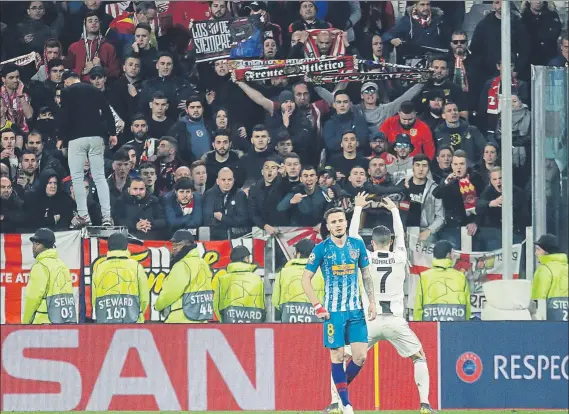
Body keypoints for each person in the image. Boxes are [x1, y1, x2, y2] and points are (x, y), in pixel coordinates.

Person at [331, 193, 437, 414]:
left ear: (371, 243)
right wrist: (395, 211)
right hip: (395, 321)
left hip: (368, 321)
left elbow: (352, 236)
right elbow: (401, 236)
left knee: (345, 357)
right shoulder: (399, 256)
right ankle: (425, 404)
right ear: (389, 242)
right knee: (418, 357)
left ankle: (335, 404)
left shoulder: (365, 257)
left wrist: (358, 208)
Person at [301, 207, 377, 414]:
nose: (338, 224)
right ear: (328, 226)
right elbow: (305, 279)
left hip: (356, 311)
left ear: (346, 222)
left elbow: (366, 275)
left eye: (341, 220)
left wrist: (372, 302)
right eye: (333, 222)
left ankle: (340, 392)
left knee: (360, 357)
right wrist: (317, 306)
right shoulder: (321, 249)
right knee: (337, 355)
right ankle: (347, 404)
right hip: (333, 312)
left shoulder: (357, 245)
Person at [58, 70, 115, 227]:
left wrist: (62, 137)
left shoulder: (67, 91)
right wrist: (112, 133)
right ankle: (106, 217)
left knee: (77, 177)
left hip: (76, 139)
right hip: (96, 137)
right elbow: (108, 112)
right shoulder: (94, 89)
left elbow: (65, 116)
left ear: (67, 81)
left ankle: (84, 216)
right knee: (99, 177)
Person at [154, 230, 214, 323]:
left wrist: (158, 305)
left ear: (188, 245)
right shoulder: (203, 263)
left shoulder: (182, 265)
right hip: (201, 319)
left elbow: (171, 292)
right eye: (173, 245)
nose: (174, 248)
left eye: (178, 245)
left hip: (181, 319)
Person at [91, 232, 149, 323]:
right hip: (133, 322)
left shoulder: (99, 268)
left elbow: (94, 299)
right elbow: (144, 298)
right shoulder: (136, 267)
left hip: (105, 322)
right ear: (126, 246)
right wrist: (138, 312)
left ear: (108, 247)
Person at [23, 228, 77, 324]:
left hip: (43, 322)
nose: (33, 247)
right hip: (65, 322)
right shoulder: (62, 265)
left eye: (37, 244)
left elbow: (32, 298)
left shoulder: (40, 266)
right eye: (33, 244)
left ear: (46, 246)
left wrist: (25, 323)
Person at [414, 240, 471, 322]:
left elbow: (418, 309)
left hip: (431, 329)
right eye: (452, 252)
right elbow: (467, 309)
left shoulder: (424, 277)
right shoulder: (460, 277)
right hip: (457, 329)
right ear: (449, 254)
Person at [272, 239, 325, 323]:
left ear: (298, 254)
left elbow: (275, 301)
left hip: (289, 325)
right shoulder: (322, 273)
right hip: (316, 326)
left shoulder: (283, 273)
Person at [213, 246, 265, 323]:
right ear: (245, 259)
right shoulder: (257, 279)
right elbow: (263, 303)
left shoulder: (223, 279)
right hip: (253, 322)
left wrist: (223, 321)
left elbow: (216, 305)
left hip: (230, 322)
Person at [202, 167, 250, 240]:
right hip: (215, 238)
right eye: (223, 180)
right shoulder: (209, 195)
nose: (227, 183)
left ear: (233, 181)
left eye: (229, 180)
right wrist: (231, 222)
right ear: (217, 181)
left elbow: (243, 219)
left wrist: (223, 218)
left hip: (237, 237)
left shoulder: (240, 195)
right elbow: (208, 221)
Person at [531, 234, 568, 321]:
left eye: (538, 249)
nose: (536, 253)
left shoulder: (544, 269)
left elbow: (539, 300)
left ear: (547, 252)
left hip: (550, 321)